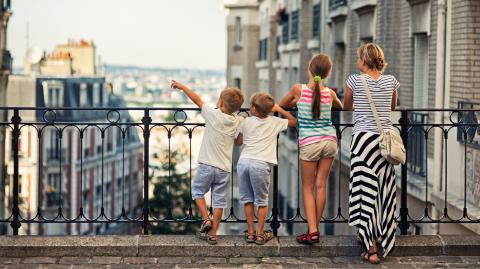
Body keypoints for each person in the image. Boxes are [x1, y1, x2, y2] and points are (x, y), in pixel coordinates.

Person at [343, 43, 400, 264]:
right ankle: (381, 239)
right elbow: (392, 107)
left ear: (363, 61)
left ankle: (371, 249)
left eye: (359, 59)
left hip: (363, 142)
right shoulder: (391, 81)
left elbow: (348, 106)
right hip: (385, 143)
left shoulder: (354, 80)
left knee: (364, 191)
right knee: (382, 193)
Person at [279, 54, 343, 244]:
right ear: (328, 73)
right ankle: (316, 229)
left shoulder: (298, 89)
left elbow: (282, 105)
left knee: (308, 187)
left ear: (309, 68)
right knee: (321, 185)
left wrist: (296, 103)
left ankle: (312, 230)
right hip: (330, 141)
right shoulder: (330, 93)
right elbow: (339, 106)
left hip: (309, 143)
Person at [170, 80, 244, 245]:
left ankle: (206, 218)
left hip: (206, 164)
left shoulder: (212, 113)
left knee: (197, 192)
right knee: (219, 202)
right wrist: (242, 120)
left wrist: (182, 87)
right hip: (224, 168)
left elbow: (196, 99)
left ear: (221, 102)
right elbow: (239, 142)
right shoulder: (238, 121)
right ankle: (213, 235)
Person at [235, 92, 297, 245]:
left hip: (243, 162)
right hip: (260, 164)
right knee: (262, 201)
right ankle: (260, 234)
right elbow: (293, 121)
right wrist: (279, 109)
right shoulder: (275, 121)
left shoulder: (246, 121)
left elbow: (238, 142)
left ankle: (250, 233)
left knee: (247, 199)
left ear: (254, 109)